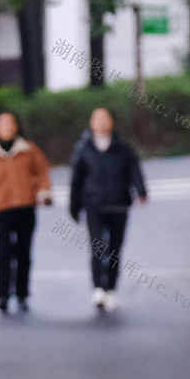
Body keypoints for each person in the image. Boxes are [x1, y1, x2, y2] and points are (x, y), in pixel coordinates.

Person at [0, 112, 53, 314]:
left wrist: (45, 192)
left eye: (10, 123)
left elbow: (42, 172)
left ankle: (22, 293)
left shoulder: (29, 150)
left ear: (16, 126)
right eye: (3, 124)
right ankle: (3, 294)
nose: (7, 127)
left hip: (26, 206)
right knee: (4, 252)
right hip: (2, 208)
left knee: (24, 252)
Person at [69, 107, 147, 312]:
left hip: (118, 203)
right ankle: (98, 288)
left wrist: (141, 190)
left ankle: (111, 288)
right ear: (91, 123)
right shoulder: (84, 148)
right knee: (97, 246)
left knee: (114, 249)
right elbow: (76, 180)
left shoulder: (123, 147)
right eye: (97, 118)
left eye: (105, 118)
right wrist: (74, 207)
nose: (101, 122)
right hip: (93, 205)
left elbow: (134, 169)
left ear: (112, 122)